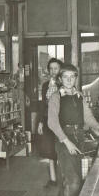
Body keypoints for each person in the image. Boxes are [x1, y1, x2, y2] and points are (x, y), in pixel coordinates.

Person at [48, 63, 99, 196]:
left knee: (70, 181)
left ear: (76, 78)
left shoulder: (79, 96)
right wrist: (67, 142)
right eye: (65, 77)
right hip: (64, 139)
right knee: (73, 182)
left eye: (72, 77)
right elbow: (52, 123)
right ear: (60, 79)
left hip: (79, 137)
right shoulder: (56, 97)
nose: (69, 80)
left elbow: (88, 117)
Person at [38, 58, 63, 186]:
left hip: (61, 122)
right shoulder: (45, 86)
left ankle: (64, 178)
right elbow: (42, 105)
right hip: (48, 121)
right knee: (50, 149)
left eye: (56, 68)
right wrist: (41, 122)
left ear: (60, 70)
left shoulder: (65, 84)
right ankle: (53, 179)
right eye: (51, 68)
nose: (53, 71)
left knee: (61, 149)